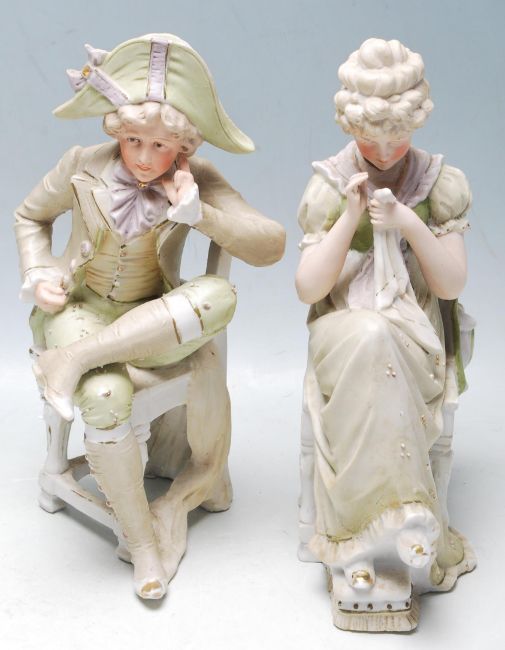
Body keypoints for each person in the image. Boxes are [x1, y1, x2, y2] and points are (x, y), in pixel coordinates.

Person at [15, 34, 285, 600]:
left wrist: (199, 213)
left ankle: (72, 362)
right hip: (80, 308)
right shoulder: (81, 165)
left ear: (182, 147)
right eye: (133, 140)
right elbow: (29, 216)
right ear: (116, 131)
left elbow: (270, 245)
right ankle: (143, 547)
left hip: (153, 320)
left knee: (219, 296)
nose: (142, 156)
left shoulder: (197, 178)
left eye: (159, 145)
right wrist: (39, 274)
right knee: (105, 398)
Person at [295, 38, 474, 630]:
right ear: (351, 125)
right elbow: (308, 288)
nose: (386, 151)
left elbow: (450, 284)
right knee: (371, 335)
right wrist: (351, 217)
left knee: (385, 341)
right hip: (343, 332)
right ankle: (377, 530)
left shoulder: (438, 183)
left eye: (399, 136)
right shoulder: (331, 184)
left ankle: (379, 534)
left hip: (417, 334)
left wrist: (406, 224)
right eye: (372, 138)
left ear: (416, 123)